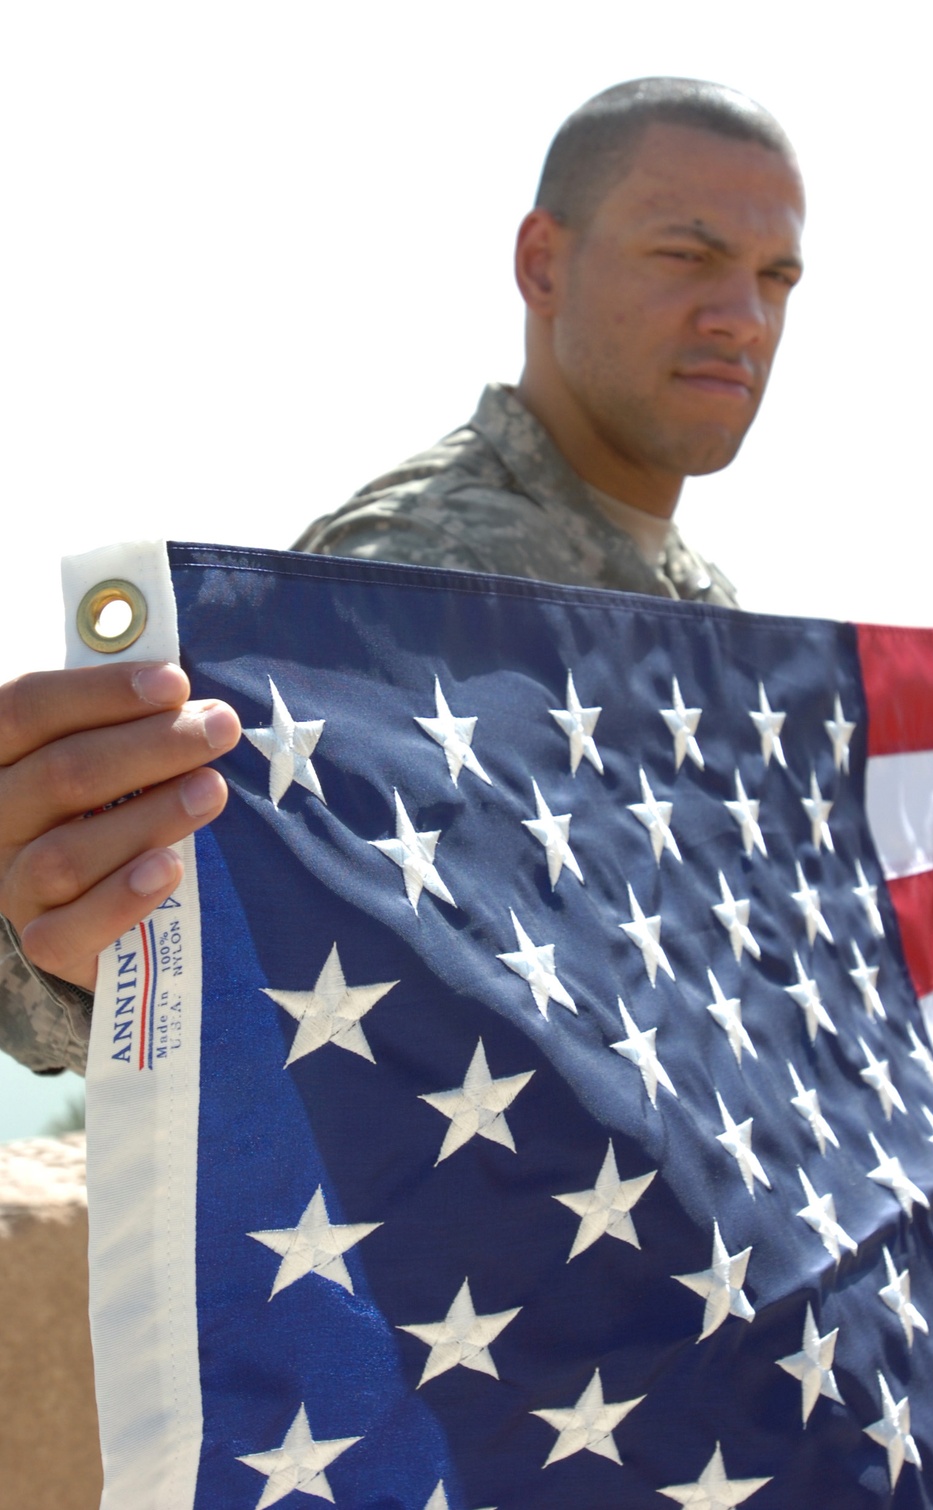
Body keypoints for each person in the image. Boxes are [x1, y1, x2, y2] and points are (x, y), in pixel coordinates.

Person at [0, 77, 805, 1074]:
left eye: (777, 277)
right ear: (542, 263)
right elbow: (296, 989)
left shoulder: (701, 607)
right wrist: (87, 959)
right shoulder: (426, 585)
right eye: (688, 257)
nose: (743, 317)